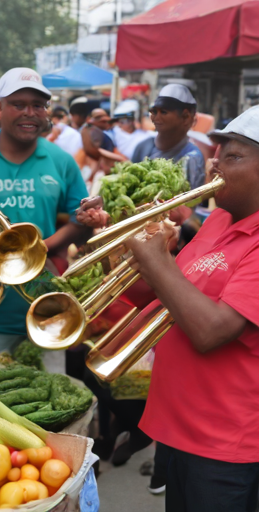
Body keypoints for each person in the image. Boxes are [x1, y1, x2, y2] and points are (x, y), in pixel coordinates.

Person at [126, 105, 259, 511]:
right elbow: (164, 295)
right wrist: (122, 253)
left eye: (233, 156)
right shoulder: (218, 219)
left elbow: (211, 331)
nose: (214, 163)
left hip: (225, 444)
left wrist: (156, 262)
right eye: (217, 153)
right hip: (178, 430)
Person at [0, 67, 90, 362]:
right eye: (19, 104)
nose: (30, 113)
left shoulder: (61, 160)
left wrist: (40, 249)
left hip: (47, 309)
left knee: (55, 400)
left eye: (38, 105)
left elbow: (79, 217)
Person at [132, 84, 205, 190]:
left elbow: (191, 202)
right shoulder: (143, 147)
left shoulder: (193, 157)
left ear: (186, 117)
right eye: (155, 112)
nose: (156, 118)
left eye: (164, 112)